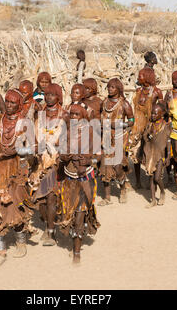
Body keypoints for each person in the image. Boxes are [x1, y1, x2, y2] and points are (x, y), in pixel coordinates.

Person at [0, 90, 36, 269]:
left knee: (15, 205)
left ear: (19, 105)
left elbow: (33, 149)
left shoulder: (24, 122)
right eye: (7, 102)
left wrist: (16, 151)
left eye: (13, 103)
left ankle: (21, 240)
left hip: (17, 170)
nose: (9, 105)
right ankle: (1, 246)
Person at [57, 103, 100, 264]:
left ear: (82, 116)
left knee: (80, 213)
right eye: (72, 115)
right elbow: (61, 155)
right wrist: (65, 156)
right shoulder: (66, 133)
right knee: (70, 213)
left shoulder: (91, 132)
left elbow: (100, 156)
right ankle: (74, 239)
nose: (74, 117)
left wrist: (89, 160)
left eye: (77, 115)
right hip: (69, 178)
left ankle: (76, 252)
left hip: (85, 178)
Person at [31, 84, 69, 246]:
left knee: (52, 197)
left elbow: (70, 137)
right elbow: (33, 135)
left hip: (56, 161)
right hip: (40, 162)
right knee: (39, 200)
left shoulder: (64, 115)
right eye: (46, 95)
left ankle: (51, 231)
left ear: (58, 97)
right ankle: (49, 224)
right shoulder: (40, 115)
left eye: (52, 95)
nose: (49, 98)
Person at [98, 78, 134, 205]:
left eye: (112, 87)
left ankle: (123, 188)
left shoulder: (124, 104)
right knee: (105, 167)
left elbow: (131, 121)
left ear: (118, 89)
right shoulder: (104, 102)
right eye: (108, 87)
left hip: (119, 138)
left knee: (118, 167)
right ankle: (107, 197)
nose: (110, 89)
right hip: (105, 138)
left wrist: (118, 124)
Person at [129, 67, 163, 189]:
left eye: (140, 76)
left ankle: (151, 181)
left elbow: (161, 110)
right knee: (136, 153)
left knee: (149, 153)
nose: (138, 78)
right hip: (137, 126)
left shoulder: (156, 92)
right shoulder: (138, 91)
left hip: (150, 126)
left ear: (147, 77)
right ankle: (138, 181)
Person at [142, 103, 171, 208]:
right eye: (152, 113)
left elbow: (168, 142)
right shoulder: (150, 125)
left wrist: (168, 156)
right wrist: (148, 136)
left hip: (160, 155)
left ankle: (162, 192)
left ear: (161, 114)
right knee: (151, 178)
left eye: (155, 113)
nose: (153, 115)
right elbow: (144, 137)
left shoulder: (165, 126)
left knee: (157, 178)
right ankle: (153, 199)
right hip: (151, 154)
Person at [164, 71, 177, 182]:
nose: (176, 81)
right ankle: (169, 174)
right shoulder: (169, 94)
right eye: (174, 79)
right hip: (169, 125)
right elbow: (163, 108)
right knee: (167, 150)